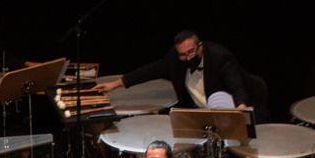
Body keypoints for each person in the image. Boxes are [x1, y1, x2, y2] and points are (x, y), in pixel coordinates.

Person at [95, 31, 252, 112]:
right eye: (183, 54)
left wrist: (240, 111)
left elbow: (237, 87)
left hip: (224, 111)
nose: (187, 57)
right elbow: (150, 71)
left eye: (190, 52)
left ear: (200, 46)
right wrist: (114, 85)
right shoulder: (175, 59)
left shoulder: (220, 57)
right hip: (198, 114)